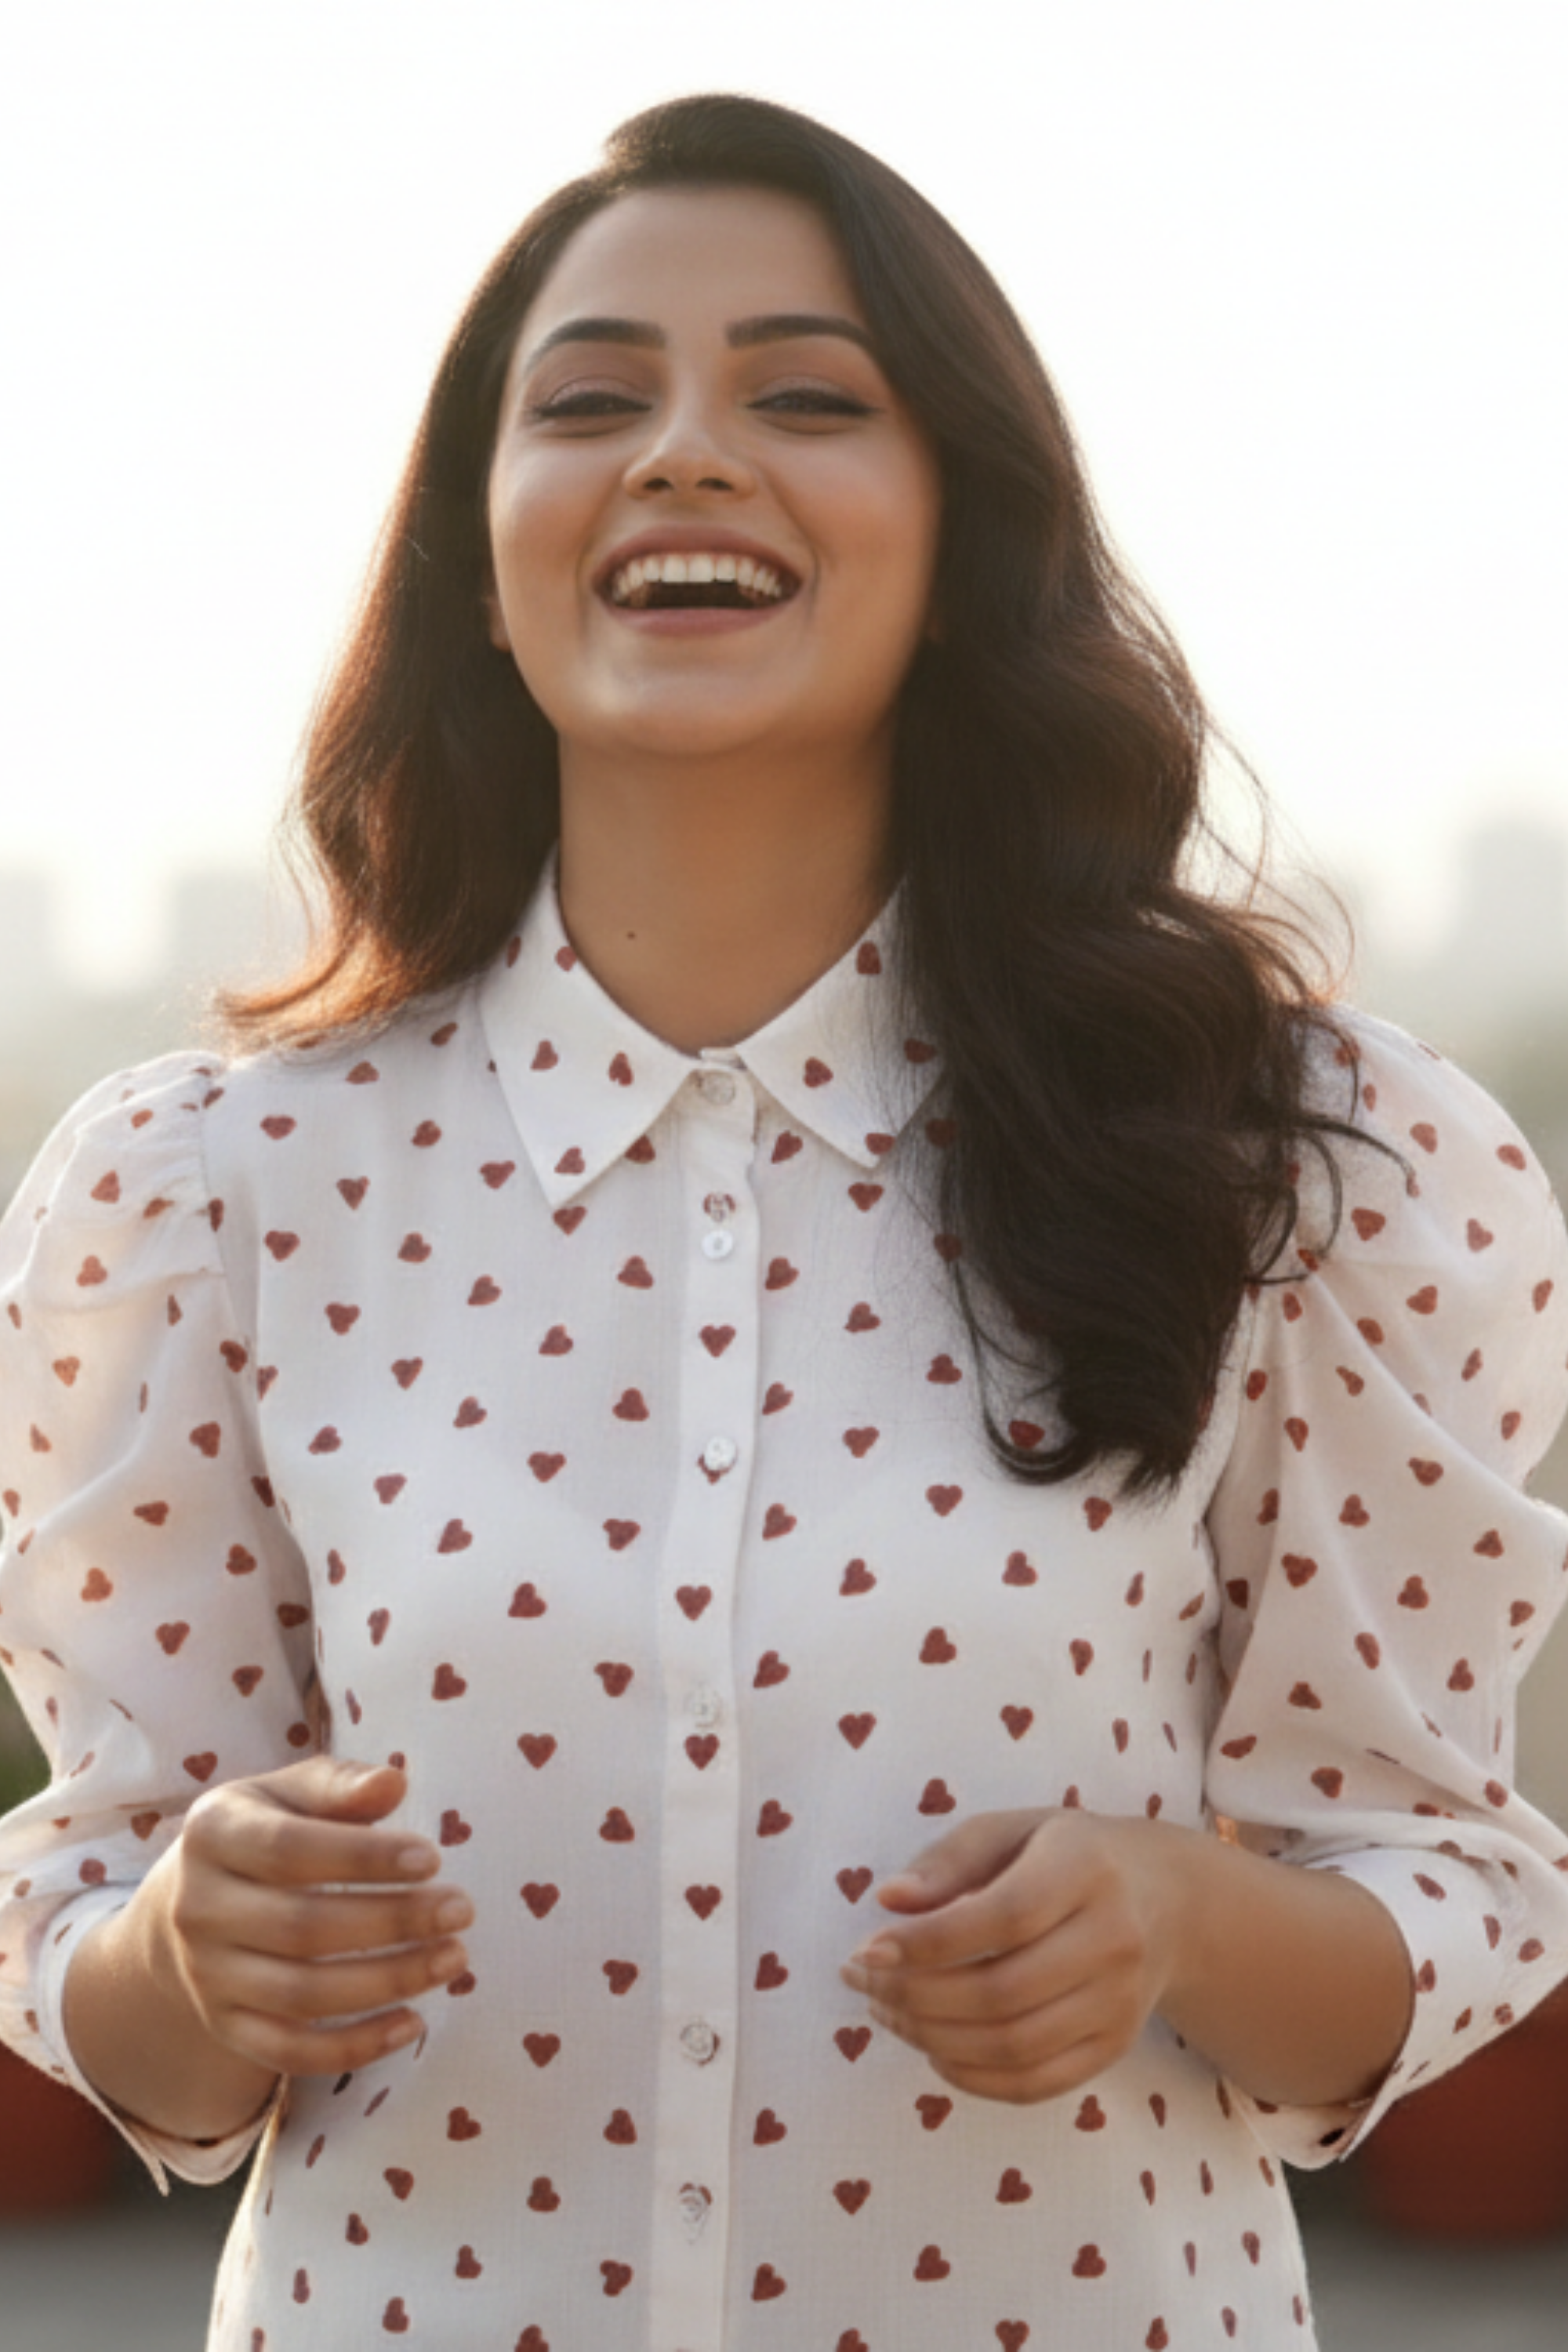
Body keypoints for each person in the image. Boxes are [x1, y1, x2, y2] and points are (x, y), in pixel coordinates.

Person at [2, 91, 1566, 2352]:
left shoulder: (1295, 1166)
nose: (685, 453)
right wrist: (176, 1952)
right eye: (593, 401)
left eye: (808, 397)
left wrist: (1178, 1921)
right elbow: (119, 1984)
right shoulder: (213, 1192)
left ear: (961, 535)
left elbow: (1441, 1893)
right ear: (483, 544)